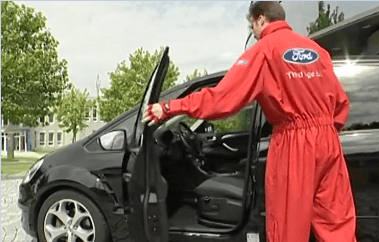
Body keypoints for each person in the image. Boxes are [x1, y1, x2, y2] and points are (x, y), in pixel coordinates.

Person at [143, 1, 357, 241]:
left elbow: (223, 99)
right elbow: (341, 103)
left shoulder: (263, 51)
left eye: (251, 26)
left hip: (294, 145)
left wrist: (171, 107)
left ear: (261, 18)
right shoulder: (317, 51)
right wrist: (323, 132)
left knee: (288, 228)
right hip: (329, 142)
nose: (253, 32)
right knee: (336, 224)